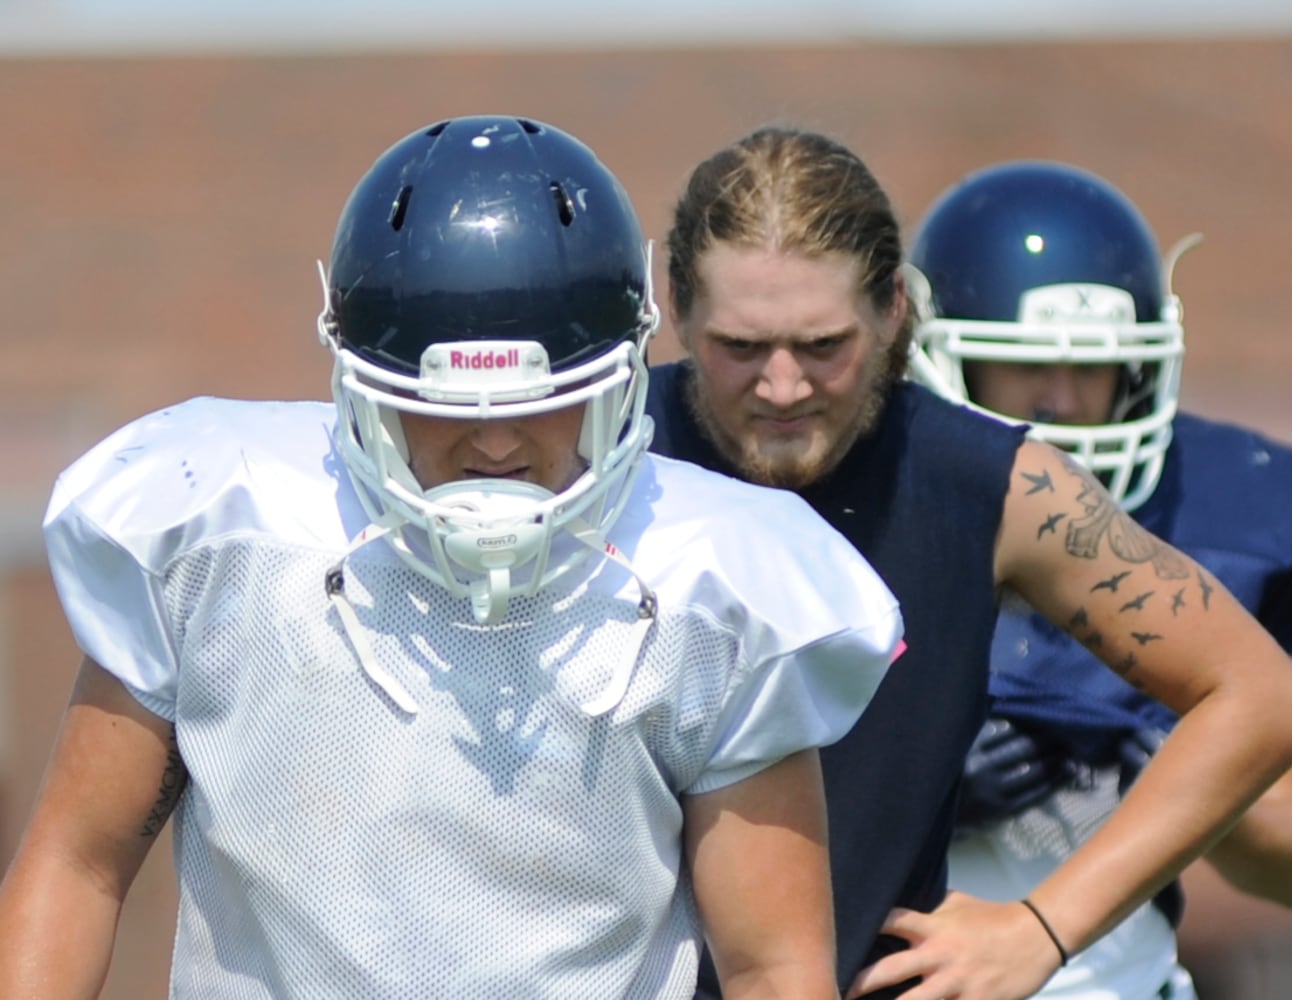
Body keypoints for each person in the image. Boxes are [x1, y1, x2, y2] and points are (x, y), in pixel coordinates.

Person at [0, 115, 906, 999]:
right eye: (447, 408)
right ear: (357, 380)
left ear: (625, 372)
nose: (496, 444)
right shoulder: (216, 533)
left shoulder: (715, 586)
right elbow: (77, 864)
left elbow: (770, 969)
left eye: (546, 401)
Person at [644, 124, 1292, 1000]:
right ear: (677, 308)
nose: (781, 386)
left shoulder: (992, 482)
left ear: (893, 310)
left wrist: (1039, 929)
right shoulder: (606, 458)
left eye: (822, 346)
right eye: (741, 347)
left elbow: (1259, 701)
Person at [907, 158, 1292, 999]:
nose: (1065, 400)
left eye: (1095, 366)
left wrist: (1190, 788)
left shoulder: (1217, 516)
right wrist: (916, 785)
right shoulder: (858, 506)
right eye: (1028, 364)